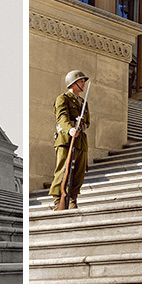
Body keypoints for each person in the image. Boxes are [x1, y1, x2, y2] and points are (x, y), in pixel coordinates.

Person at [48, 69, 90, 210]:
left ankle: (73, 198)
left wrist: (80, 126)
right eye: (81, 81)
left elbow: (88, 122)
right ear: (73, 83)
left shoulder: (83, 102)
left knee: (78, 172)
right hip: (66, 140)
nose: (83, 84)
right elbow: (61, 118)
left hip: (80, 141)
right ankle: (57, 199)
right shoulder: (63, 99)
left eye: (84, 81)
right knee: (62, 170)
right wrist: (70, 129)